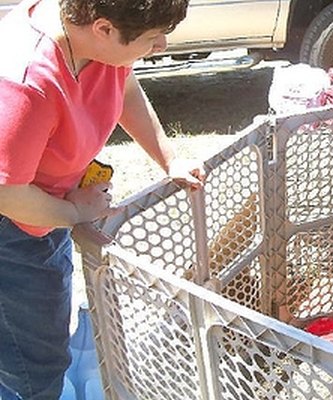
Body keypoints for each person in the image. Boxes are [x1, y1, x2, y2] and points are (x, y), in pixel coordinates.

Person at [0, 0, 204, 398]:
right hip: (13, 232)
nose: (161, 45)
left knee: (44, 336)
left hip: (44, 210)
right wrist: (75, 211)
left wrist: (170, 158)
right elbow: (7, 194)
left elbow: (123, 86)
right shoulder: (25, 80)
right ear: (104, 28)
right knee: (30, 367)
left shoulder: (99, 47)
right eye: (152, 37)